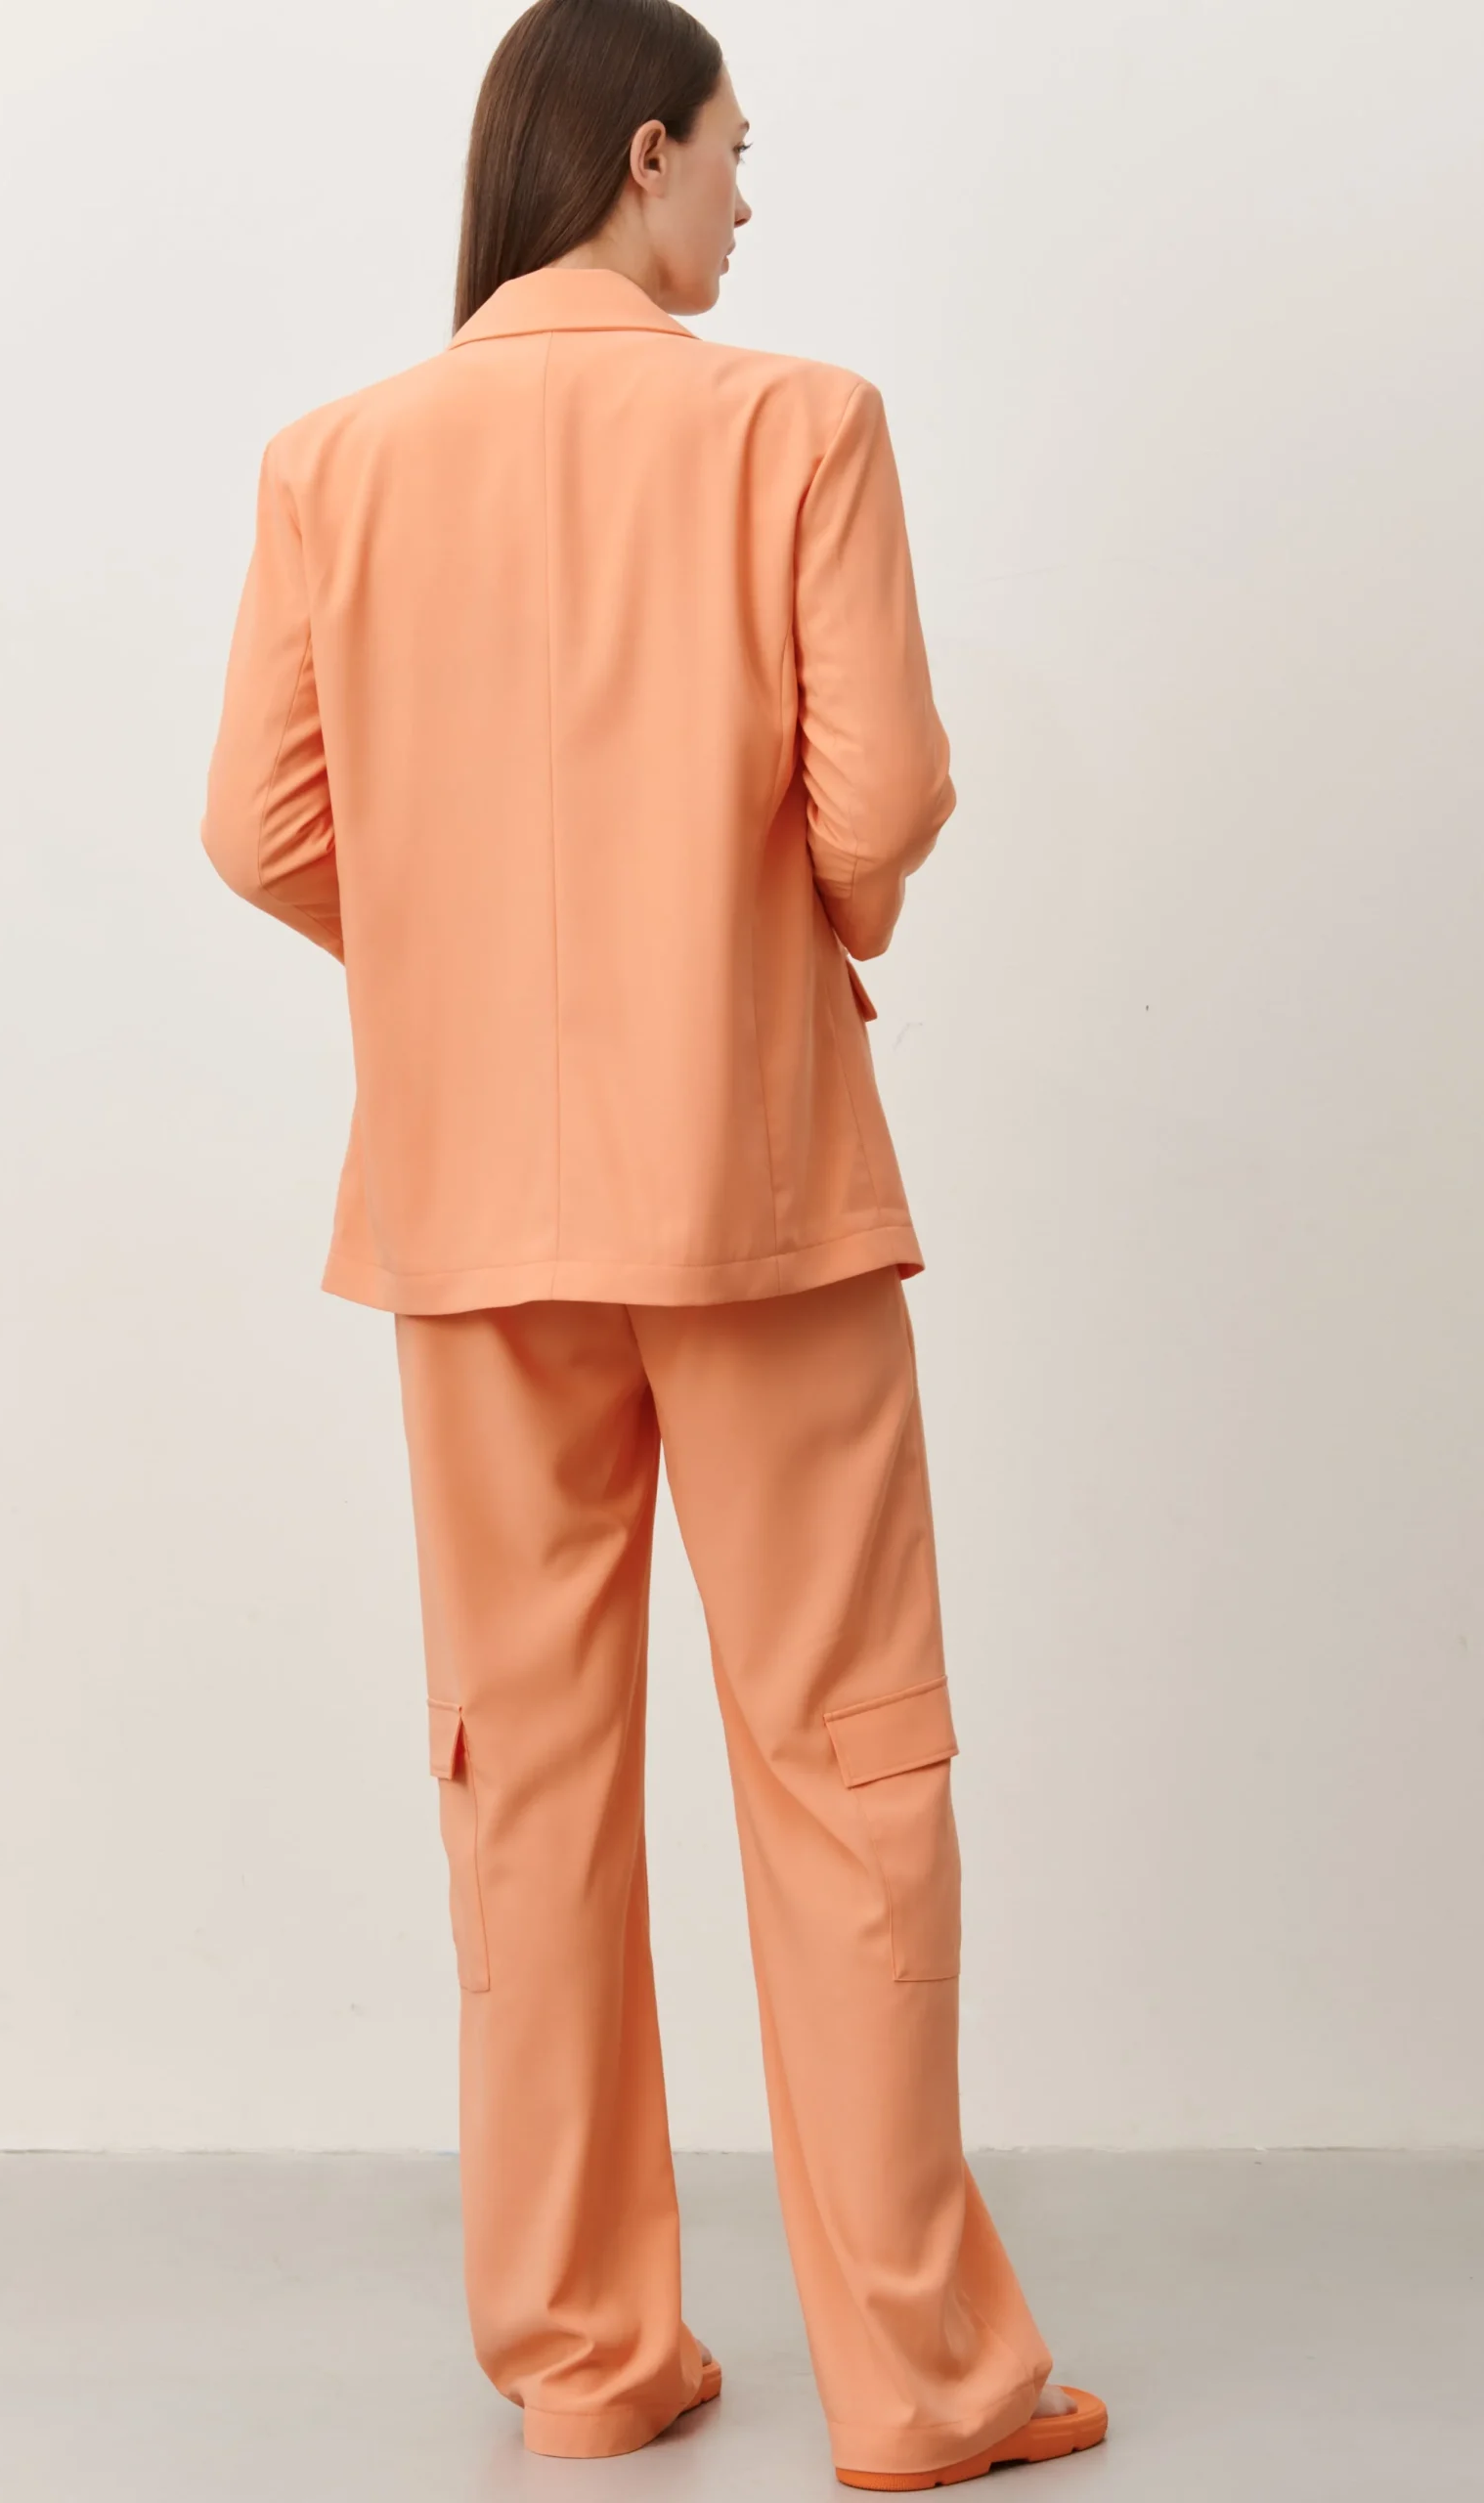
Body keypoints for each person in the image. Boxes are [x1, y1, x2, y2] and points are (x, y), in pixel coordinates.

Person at [199, 0, 1108, 2486]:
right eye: (731, 150)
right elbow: (882, 799)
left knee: (527, 1774)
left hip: (469, 1213)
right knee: (847, 1758)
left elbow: (261, 828)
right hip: (759, 1193)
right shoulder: (798, 423)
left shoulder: (335, 460)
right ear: (638, 155)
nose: (744, 197)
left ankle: (586, 2359)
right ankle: (924, 2379)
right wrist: (788, 929)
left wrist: (462, 965)